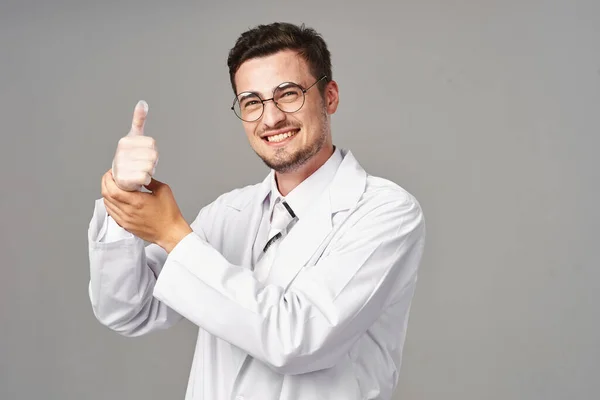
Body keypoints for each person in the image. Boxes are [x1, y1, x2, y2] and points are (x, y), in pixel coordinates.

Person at [88, 22, 426, 400]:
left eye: (288, 94)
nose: (271, 118)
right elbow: (127, 310)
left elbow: (298, 340)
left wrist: (171, 234)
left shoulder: (384, 211)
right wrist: (123, 194)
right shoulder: (228, 213)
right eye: (252, 102)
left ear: (329, 96)